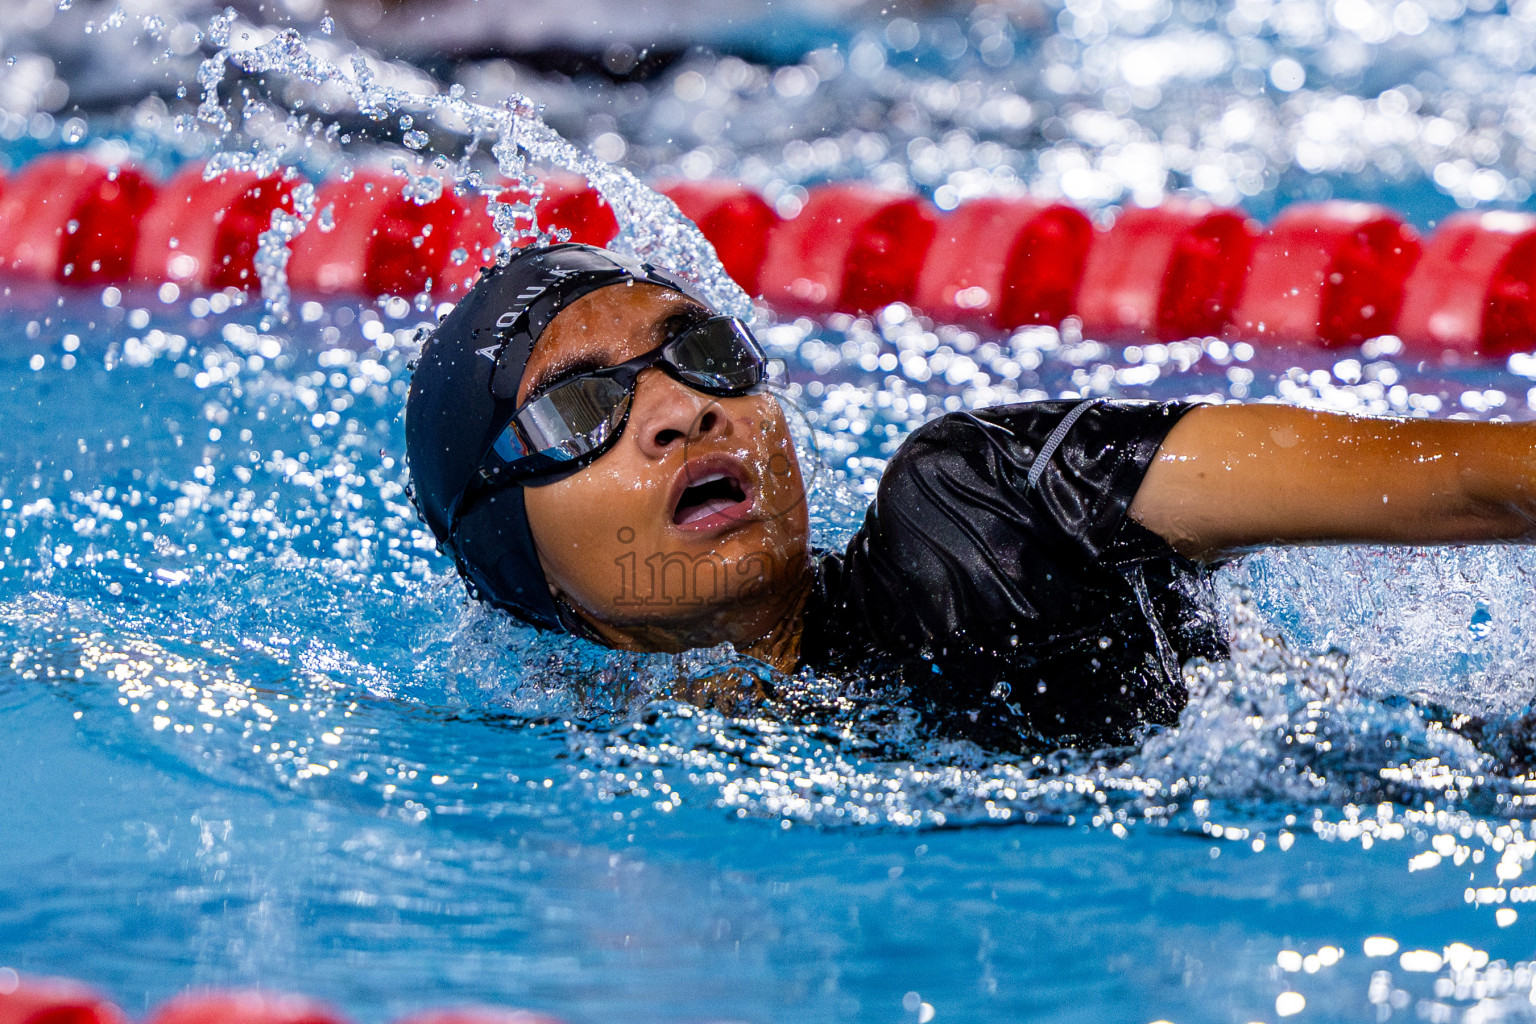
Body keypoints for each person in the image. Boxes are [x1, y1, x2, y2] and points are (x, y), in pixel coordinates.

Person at [406, 242, 1536, 749]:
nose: (682, 409)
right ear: (510, 548)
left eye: (701, 351)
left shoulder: (984, 508)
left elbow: (1474, 484)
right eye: (580, 411)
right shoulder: (569, 767)